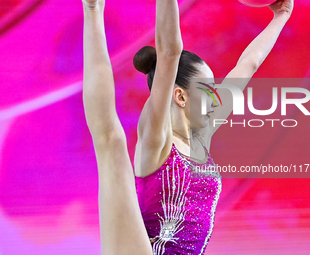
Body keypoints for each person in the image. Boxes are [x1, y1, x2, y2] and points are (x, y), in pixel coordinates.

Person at [82, 0, 294, 254]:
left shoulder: (200, 138)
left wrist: (281, 16)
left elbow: (248, 63)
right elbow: (170, 51)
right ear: (181, 97)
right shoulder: (157, 139)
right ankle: (93, 9)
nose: (217, 99)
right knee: (111, 141)